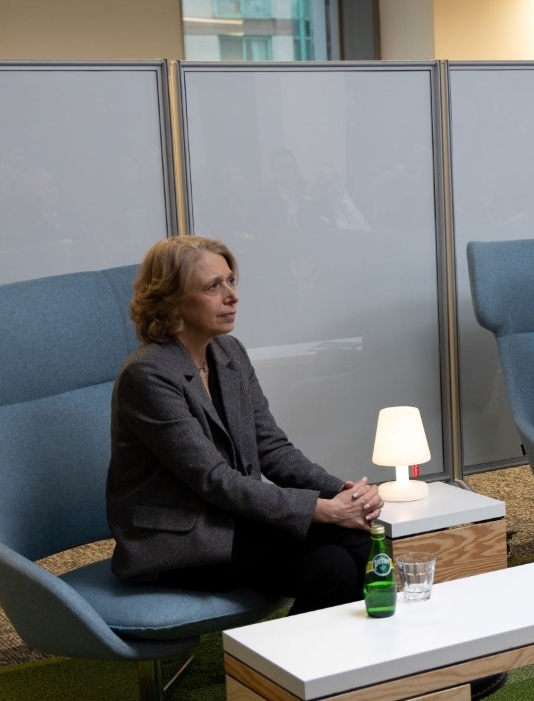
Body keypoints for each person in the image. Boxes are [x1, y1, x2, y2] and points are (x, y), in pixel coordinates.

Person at [106, 236, 508, 700]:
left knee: (364, 541)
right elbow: (213, 480)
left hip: (237, 520)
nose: (232, 295)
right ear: (173, 300)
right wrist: (321, 510)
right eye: (213, 285)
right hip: (181, 539)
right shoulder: (147, 375)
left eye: (231, 280)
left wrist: (345, 491)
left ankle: (409, 674)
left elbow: (273, 449)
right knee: (332, 568)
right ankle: (289, 687)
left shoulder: (228, 354)